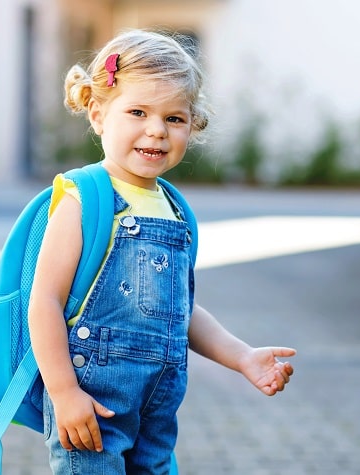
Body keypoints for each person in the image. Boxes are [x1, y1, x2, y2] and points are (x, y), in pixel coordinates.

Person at [28, 28, 296, 474]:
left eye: (174, 118)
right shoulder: (85, 199)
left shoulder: (176, 209)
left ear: (192, 124)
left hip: (157, 410)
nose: (156, 130)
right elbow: (45, 302)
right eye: (137, 112)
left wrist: (242, 357)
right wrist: (63, 392)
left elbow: (177, 309)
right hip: (92, 402)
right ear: (97, 114)